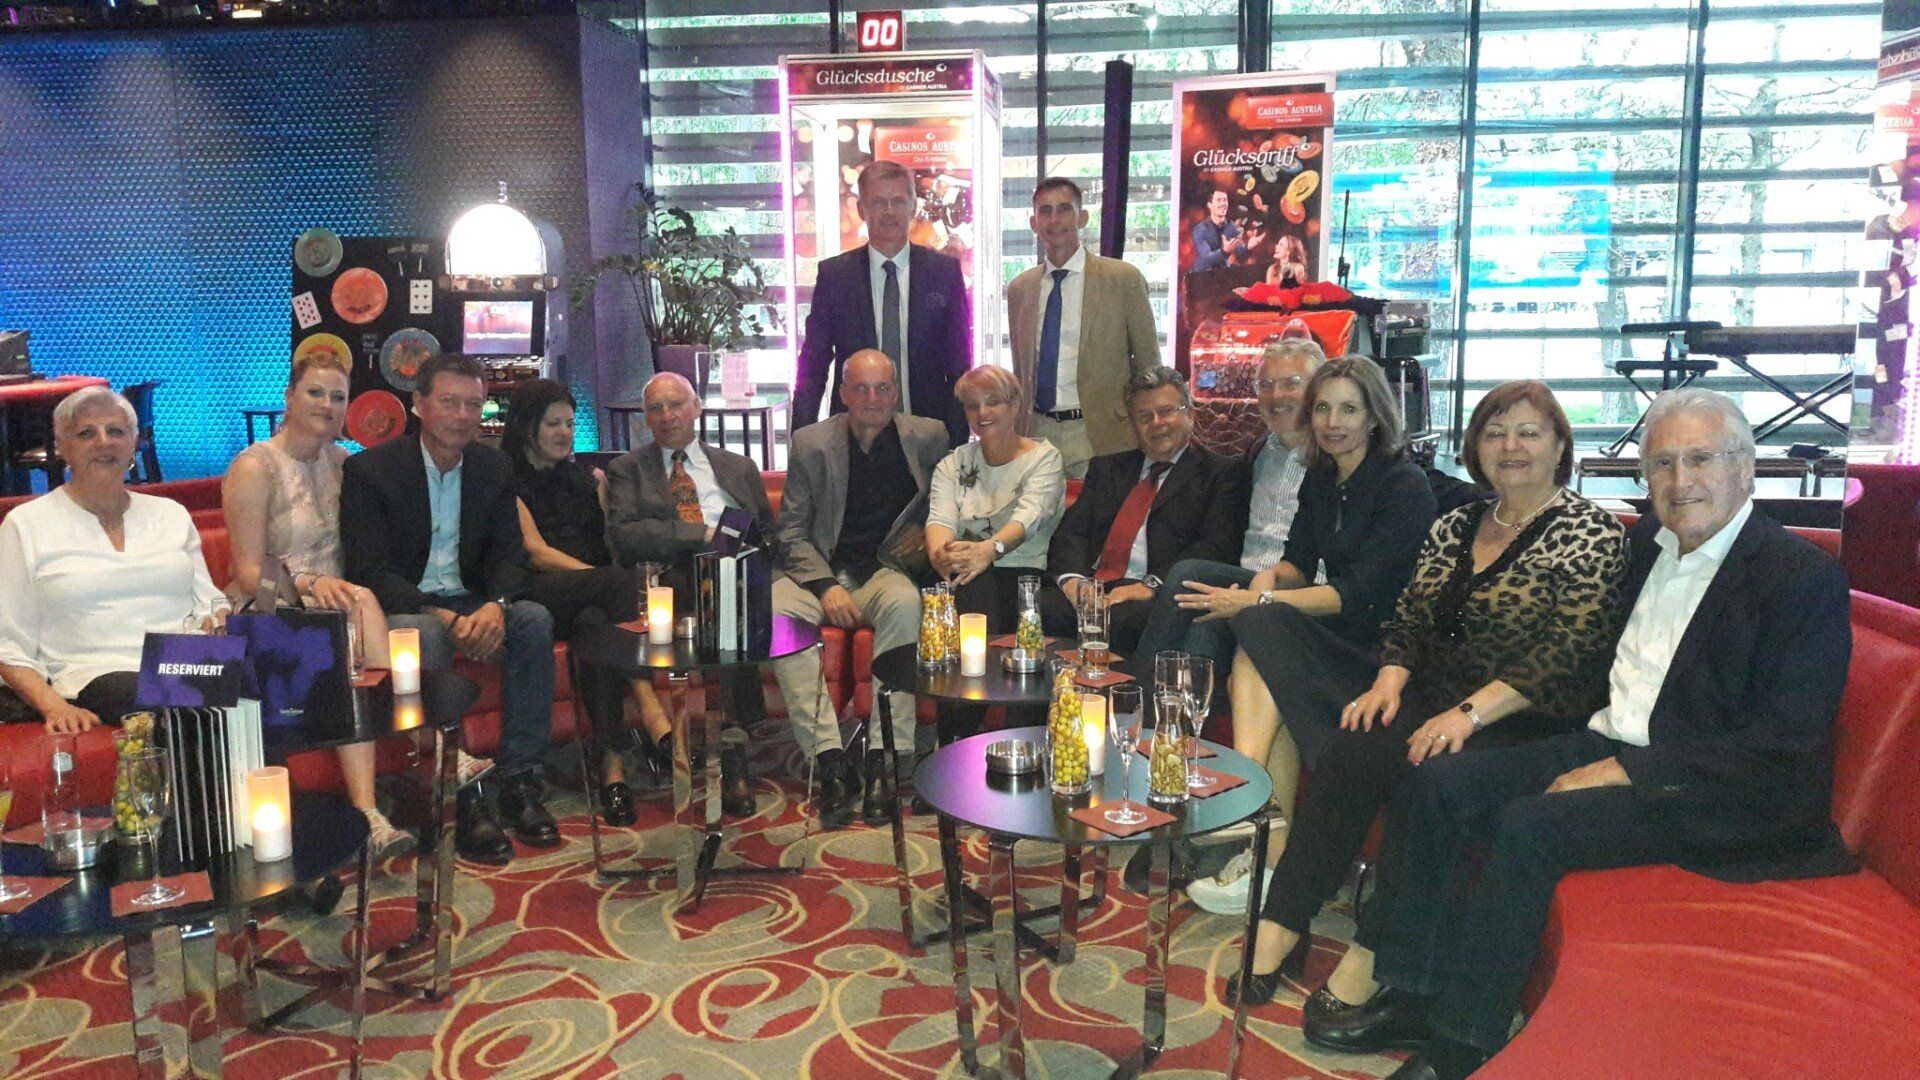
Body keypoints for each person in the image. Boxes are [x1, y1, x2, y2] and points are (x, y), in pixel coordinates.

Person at [1306, 388, 1855, 1080]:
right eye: (1662, 463)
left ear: (1745, 469)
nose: (1680, 481)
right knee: (1436, 783)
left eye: (1700, 459)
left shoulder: (1799, 578)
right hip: (1612, 739)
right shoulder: (1647, 545)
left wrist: (1628, 772)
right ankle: (1411, 988)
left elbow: (1785, 743)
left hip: (1718, 789)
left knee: (1530, 828)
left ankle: (1460, 1044)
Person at [1218, 382, 1628, 1020]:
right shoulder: (1457, 523)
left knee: (1424, 772)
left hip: (1526, 715)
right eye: (1495, 433)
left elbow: (1566, 651)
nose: (1510, 446)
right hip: (1434, 693)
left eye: (1528, 433)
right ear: (1475, 447)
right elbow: (1408, 617)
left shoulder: (1591, 531)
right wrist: (1387, 682)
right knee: (1356, 745)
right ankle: (1283, 923)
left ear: (1560, 446)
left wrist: (1468, 714)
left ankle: (1376, 953)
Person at [1165, 356, 1436, 895]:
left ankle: (1242, 798)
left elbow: (1359, 595)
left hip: (1385, 649)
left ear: (1375, 417)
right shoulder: (1323, 477)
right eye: (1323, 409)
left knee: (1261, 623)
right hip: (1335, 629)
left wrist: (1257, 599)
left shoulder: (1403, 485)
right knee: (1259, 636)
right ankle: (1269, 845)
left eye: (1348, 410)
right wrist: (1265, 582)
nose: (1333, 422)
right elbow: (1296, 561)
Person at [340, 354, 558, 866]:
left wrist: (496, 606)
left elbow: (509, 554)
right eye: (449, 402)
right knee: (424, 633)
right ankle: (462, 797)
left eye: (473, 404)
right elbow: (369, 569)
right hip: (407, 605)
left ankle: (520, 780)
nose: (463, 416)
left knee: (534, 620)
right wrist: (439, 615)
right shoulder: (371, 470)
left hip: (473, 598)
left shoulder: (493, 467)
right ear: (418, 404)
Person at [604, 373, 848, 826]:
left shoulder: (737, 466)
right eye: (656, 408)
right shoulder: (628, 470)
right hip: (677, 578)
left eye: (676, 404)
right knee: (725, 605)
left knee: (771, 614)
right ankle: (733, 754)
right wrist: (702, 534)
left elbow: (768, 531)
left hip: (750, 570)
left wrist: (752, 553)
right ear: (645, 418)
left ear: (697, 408)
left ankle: (818, 758)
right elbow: (627, 537)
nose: (667, 416)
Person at [224, 353, 435, 860]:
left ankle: (376, 807)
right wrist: (310, 583)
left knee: (361, 615)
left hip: (342, 605)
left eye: (337, 397)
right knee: (356, 611)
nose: (326, 404)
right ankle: (418, 754)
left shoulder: (343, 462)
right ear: (289, 397)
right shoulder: (254, 467)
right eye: (314, 392)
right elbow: (248, 572)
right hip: (270, 603)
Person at [778, 350, 949, 824]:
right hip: (820, 569)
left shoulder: (929, 437)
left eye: (882, 388)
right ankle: (830, 760)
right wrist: (825, 586)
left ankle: (883, 758)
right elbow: (790, 533)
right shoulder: (811, 443)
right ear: (842, 394)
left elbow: (947, 504)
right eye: (860, 388)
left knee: (906, 604)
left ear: (896, 392)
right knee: (781, 616)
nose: (873, 398)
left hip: (883, 569)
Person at [501, 378, 674, 830]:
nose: (564, 432)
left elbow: (610, 544)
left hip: (594, 600)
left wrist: (606, 583)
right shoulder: (506, 480)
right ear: (527, 427)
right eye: (552, 424)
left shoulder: (589, 478)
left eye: (569, 423)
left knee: (596, 625)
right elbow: (535, 552)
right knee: (612, 588)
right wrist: (601, 579)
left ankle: (611, 769)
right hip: (541, 592)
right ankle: (649, 706)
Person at [0, 387, 225, 731]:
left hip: (184, 659)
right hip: (97, 673)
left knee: (281, 684)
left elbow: (210, 603)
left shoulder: (171, 514)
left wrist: (218, 620)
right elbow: (7, 642)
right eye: (86, 433)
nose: (103, 442)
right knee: (184, 707)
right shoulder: (26, 524)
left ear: (134, 443)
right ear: (62, 447)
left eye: (116, 431)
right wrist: (54, 707)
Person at [1132, 338, 1323, 673]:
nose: (1276, 396)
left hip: (1297, 590)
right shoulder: (1260, 453)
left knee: (1189, 573)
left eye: (1291, 383)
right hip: (1240, 581)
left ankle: (1132, 695)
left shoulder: (1331, 460)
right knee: (1203, 627)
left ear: (1319, 389)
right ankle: (1164, 706)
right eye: (1266, 385)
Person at [1041, 366, 1246, 656]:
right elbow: (1071, 534)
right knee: (1035, 606)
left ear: (1190, 414)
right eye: (1144, 417)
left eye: (1166, 411)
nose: (1157, 423)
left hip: (1157, 591)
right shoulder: (1107, 469)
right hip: (1093, 587)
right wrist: (1074, 582)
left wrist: (1149, 586)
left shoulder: (1221, 474)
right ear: (1133, 426)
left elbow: (1216, 547)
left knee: (1122, 621)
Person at [926, 365, 1066, 743]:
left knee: (1004, 605)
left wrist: (989, 550)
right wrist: (941, 555)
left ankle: (1009, 738)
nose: (982, 413)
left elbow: (1030, 518)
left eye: (993, 402)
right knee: (972, 587)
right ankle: (959, 740)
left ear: (1016, 405)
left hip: (1027, 572)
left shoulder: (1044, 458)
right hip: (969, 573)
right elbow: (940, 520)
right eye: (973, 406)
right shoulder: (954, 462)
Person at [792, 160, 972, 446]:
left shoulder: (944, 273)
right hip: (854, 438)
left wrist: (958, 442)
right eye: (878, 202)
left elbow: (959, 364)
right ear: (861, 209)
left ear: (913, 207)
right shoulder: (836, 276)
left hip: (928, 435)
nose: (889, 212)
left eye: (898, 202)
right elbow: (814, 362)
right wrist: (801, 440)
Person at [1007, 177, 1161, 477]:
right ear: (1034, 223)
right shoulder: (1020, 289)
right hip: (1037, 433)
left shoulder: (1123, 280)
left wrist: (1149, 430)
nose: (1054, 220)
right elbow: (1021, 370)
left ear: (1082, 218)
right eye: (1045, 211)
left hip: (1102, 435)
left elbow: (1148, 365)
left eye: (1064, 209)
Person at [1191, 188, 1249, 271]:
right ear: (1210, 205)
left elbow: (1241, 255)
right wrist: (1224, 251)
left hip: (1224, 274)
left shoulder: (1231, 226)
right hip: (1202, 274)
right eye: (1219, 200)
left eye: (1225, 200)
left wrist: (1249, 247)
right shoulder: (1200, 229)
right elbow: (1207, 257)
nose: (1223, 204)